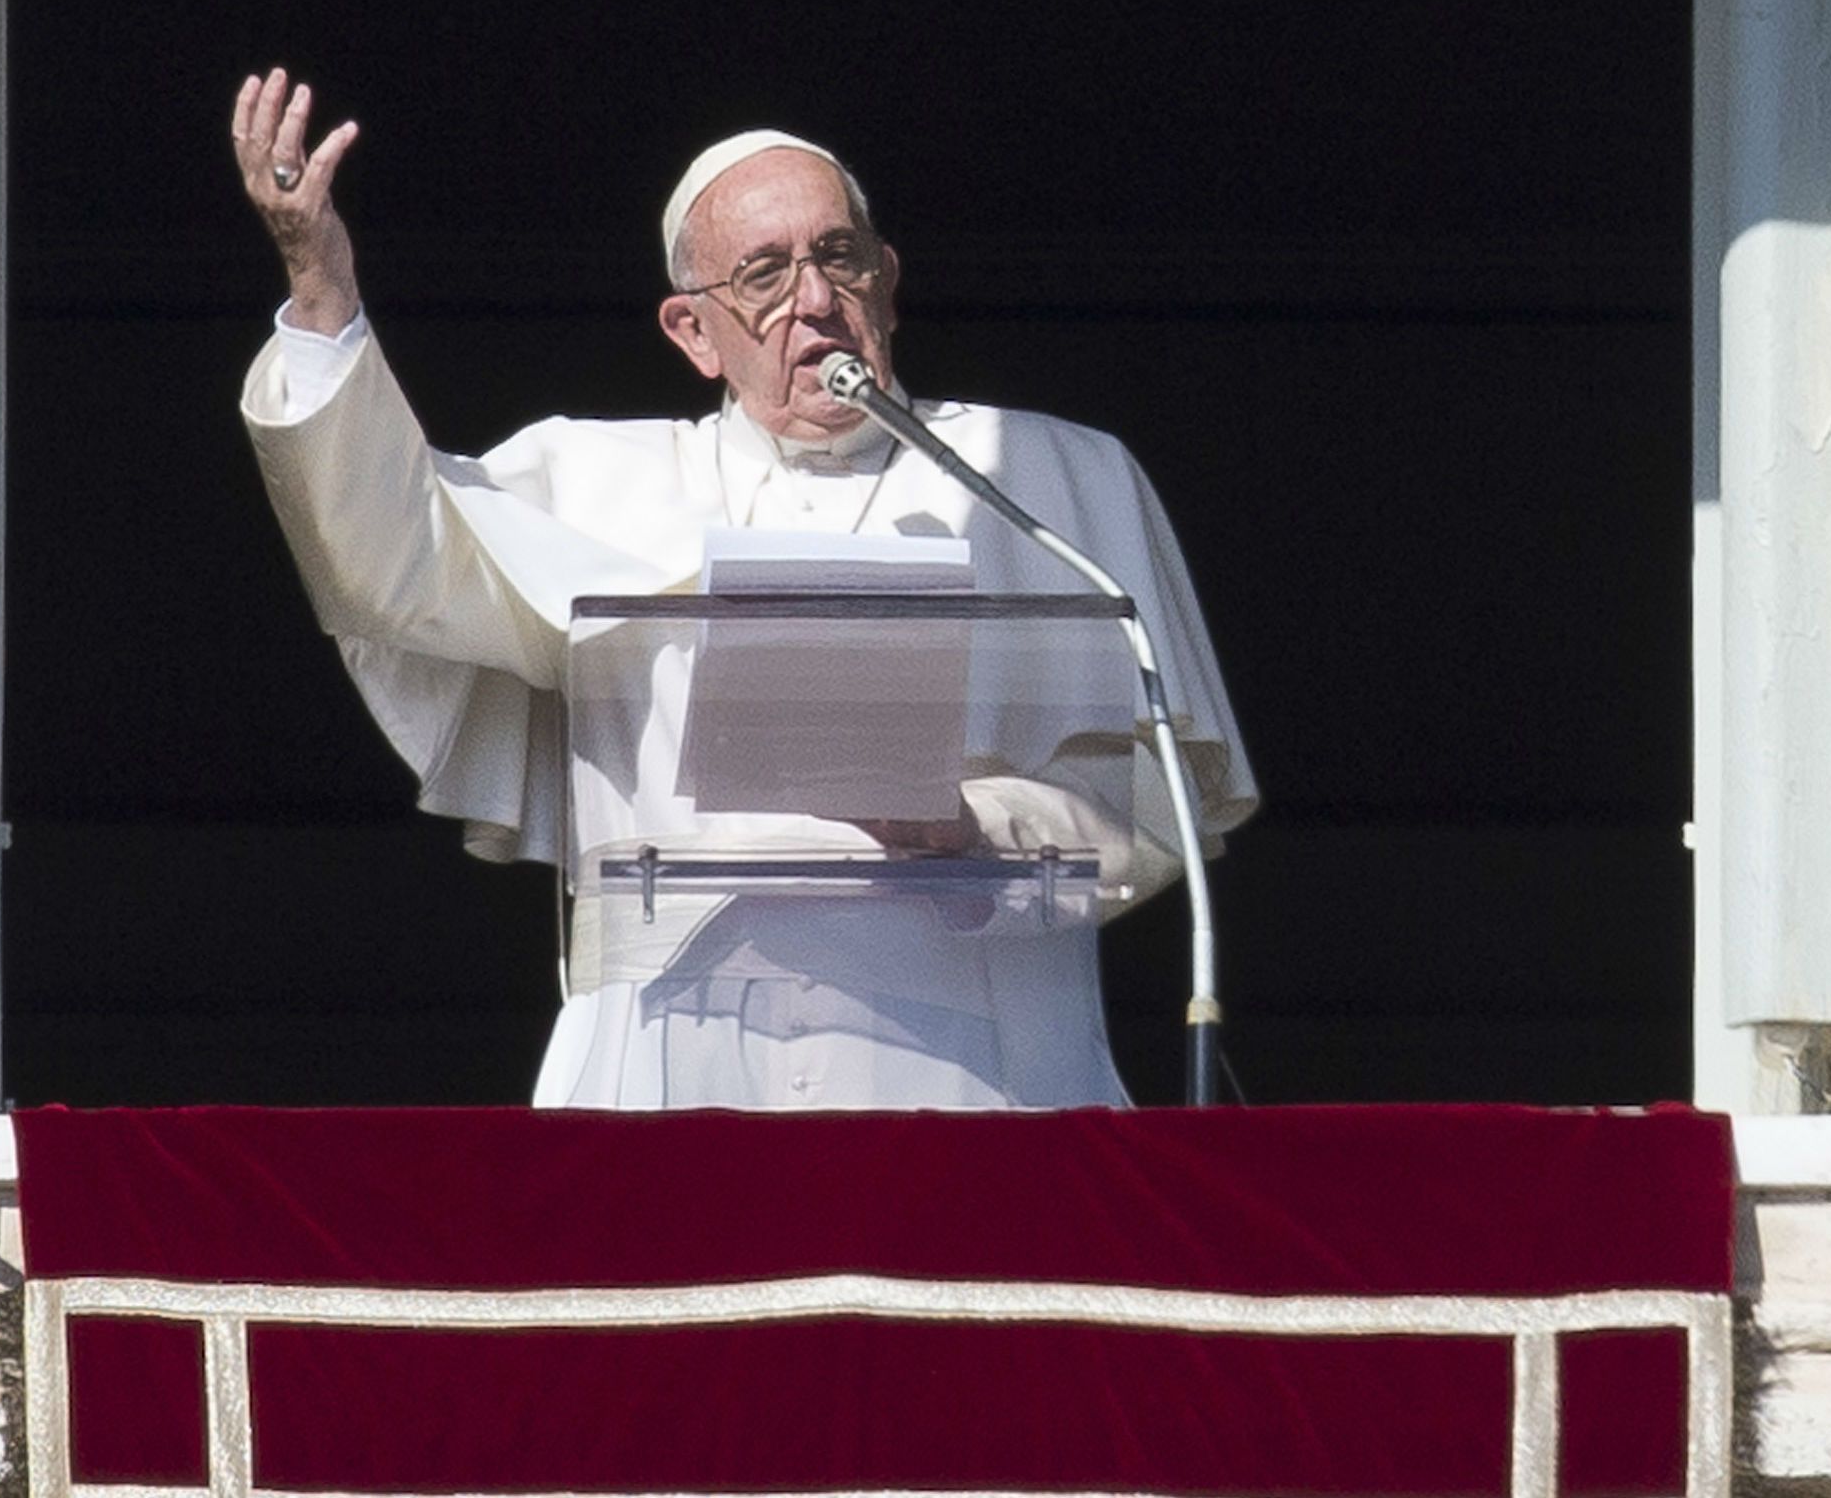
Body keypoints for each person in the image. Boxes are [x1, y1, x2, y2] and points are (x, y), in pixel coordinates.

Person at [229, 68, 1254, 1109]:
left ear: (887, 281)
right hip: (673, 1054)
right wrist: (320, 293)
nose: (814, 300)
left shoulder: (1051, 481)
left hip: (975, 1067)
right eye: (762, 275)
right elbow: (391, 554)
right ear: (691, 331)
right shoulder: (599, 483)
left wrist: (972, 826)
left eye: (838, 258)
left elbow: (1163, 795)